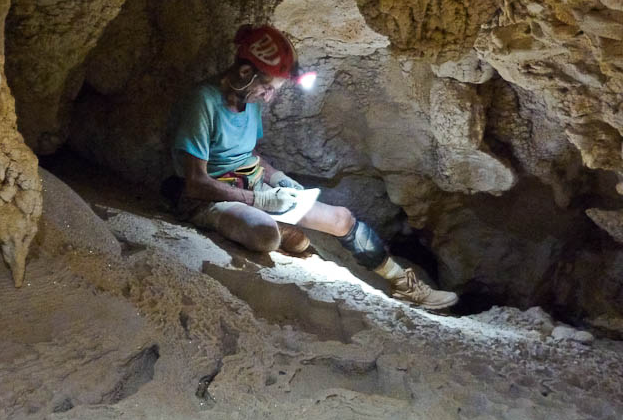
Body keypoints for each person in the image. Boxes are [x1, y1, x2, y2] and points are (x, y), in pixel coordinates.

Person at [165, 24, 458, 310]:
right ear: (245, 73)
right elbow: (195, 181)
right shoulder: (203, 101)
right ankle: (273, 226)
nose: (269, 97)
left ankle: (403, 284)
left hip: (252, 186)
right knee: (265, 234)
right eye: (267, 88)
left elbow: (250, 154)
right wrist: (259, 201)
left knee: (341, 218)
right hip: (211, 197)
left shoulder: (249, 99)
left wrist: (277, 177)